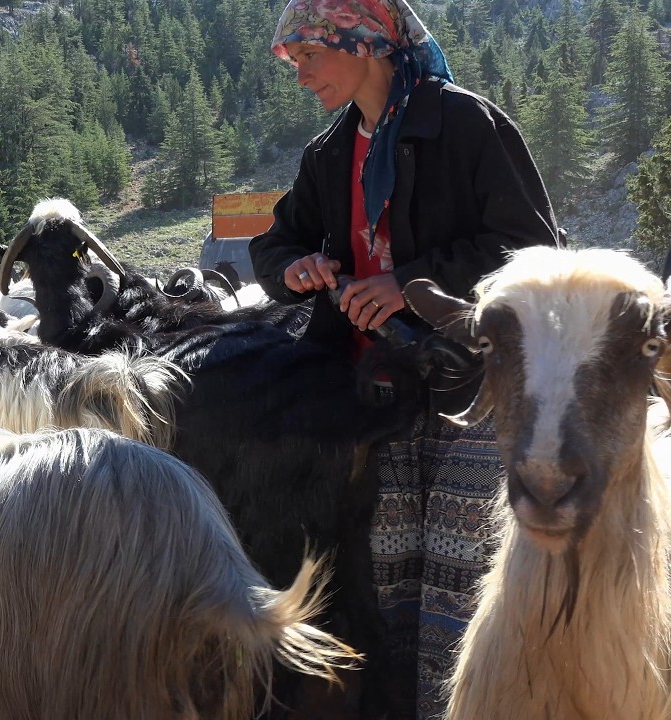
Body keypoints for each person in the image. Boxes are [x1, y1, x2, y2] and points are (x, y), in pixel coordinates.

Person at [248, 1, 560, 718]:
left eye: (309, 57)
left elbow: (533, 250)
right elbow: (273, 245)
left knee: (462, 586)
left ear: (362, 43)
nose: (301, 76)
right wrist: (295, 268)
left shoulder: (464, 125)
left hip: (476, 392)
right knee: (386, 587)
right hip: (378, 400)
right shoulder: (329, 155)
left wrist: (409, 283)